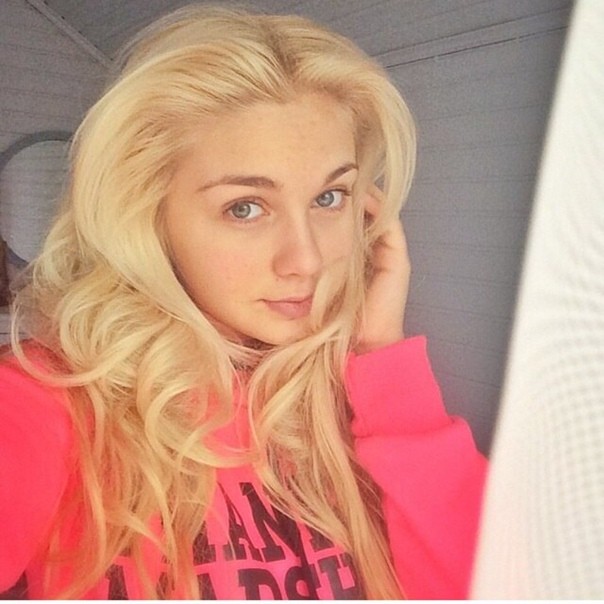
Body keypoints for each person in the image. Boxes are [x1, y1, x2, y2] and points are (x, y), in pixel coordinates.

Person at [0, 5, 486, 600]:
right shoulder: (50, 402)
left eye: (329, 197)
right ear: (149, 217)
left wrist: (385, 357)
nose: (306, 260)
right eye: (245, 208)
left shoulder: (358, 400)